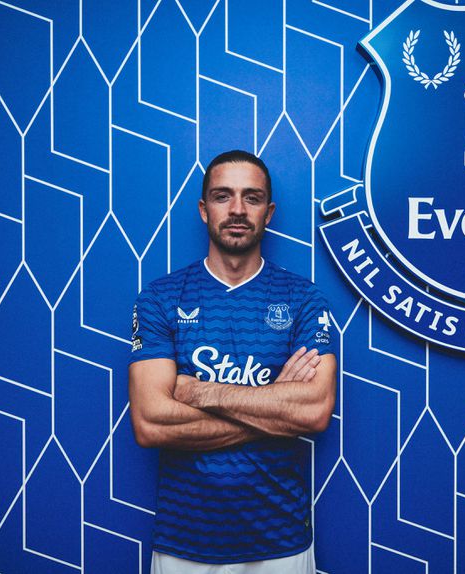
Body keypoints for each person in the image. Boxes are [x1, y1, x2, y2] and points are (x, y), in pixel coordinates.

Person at [128, 150, 338, 574]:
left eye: (252, 197)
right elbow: (151, 423)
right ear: (204, 210)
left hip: (281, 541)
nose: (238, 209)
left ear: (269, 212)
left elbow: (314, 412)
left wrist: (197, 391)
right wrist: (276, 404)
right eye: (223, 196)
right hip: (184, 541)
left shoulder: (303, 299)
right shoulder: (160, 298)